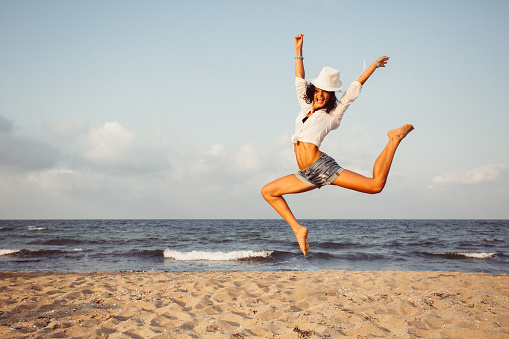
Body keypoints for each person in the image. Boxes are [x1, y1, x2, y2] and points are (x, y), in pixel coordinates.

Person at [261, 34, 414, 256]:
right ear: (314, 90)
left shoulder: (332, 115)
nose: (322, 95)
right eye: (319, 90)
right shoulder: (305, 107)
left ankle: (393, 139)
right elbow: (299, 79)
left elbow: (352, 91)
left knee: (375, 186)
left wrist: (372, 66)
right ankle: (298, 229)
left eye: (327, 92)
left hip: (323, 167)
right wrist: (298, 50)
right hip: (306, 173)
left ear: (330, 95)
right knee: (268, 192)